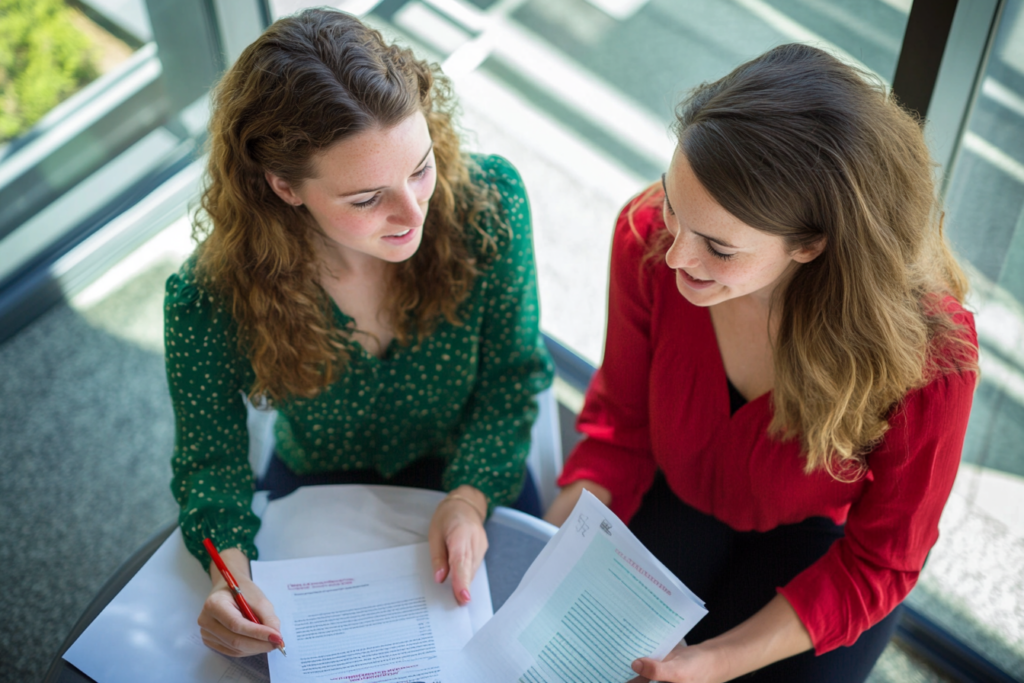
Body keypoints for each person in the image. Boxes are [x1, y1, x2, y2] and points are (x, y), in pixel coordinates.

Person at [545, 43, 978, 683]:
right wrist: (544, 547)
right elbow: (622, 429)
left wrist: (714, 663)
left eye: (718, 248)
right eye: (673, 204)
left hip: (821, 557)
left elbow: (880, 560)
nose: (674, 258)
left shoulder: (931, 357)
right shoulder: (646, 238)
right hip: (674, 494)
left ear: (811, 244)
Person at [164, 8, 553, 658]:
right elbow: (211, 464)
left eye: (421, 167)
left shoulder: (490, 203)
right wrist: (230, 577)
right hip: (322, 481)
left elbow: (513, 380)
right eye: (368, 198)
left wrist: (469, 496)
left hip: (472, 464)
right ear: (285, 186)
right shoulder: (211, 294)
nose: (413, 211)